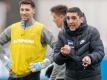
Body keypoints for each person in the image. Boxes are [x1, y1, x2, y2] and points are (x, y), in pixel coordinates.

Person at [0, 0, 55, 80]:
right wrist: (4, 59)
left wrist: (44, 63)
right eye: (22, 9)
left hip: (32, 76)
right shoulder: (12, 28)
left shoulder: (41, 29)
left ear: (33, 11)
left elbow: (57, 47)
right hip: (12, 75)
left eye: (27, 10)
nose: (24, 12)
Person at [53, 7, 105, 80]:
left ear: (81, 19)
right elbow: (56, 59)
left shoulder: (92, 32)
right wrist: (62, 54)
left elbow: (100, 52)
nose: (70, 21)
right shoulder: (62, 34)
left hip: (91, 77)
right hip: (70, 77)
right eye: (68, 18)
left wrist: (90, 58)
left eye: (74, 18)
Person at [48, 5, 68, 80]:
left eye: (54, 17)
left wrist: (52, 78)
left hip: (63, 76)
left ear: (62, 17)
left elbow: (59, 60)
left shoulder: (65, 34)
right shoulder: (64, 32)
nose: (53, 20)